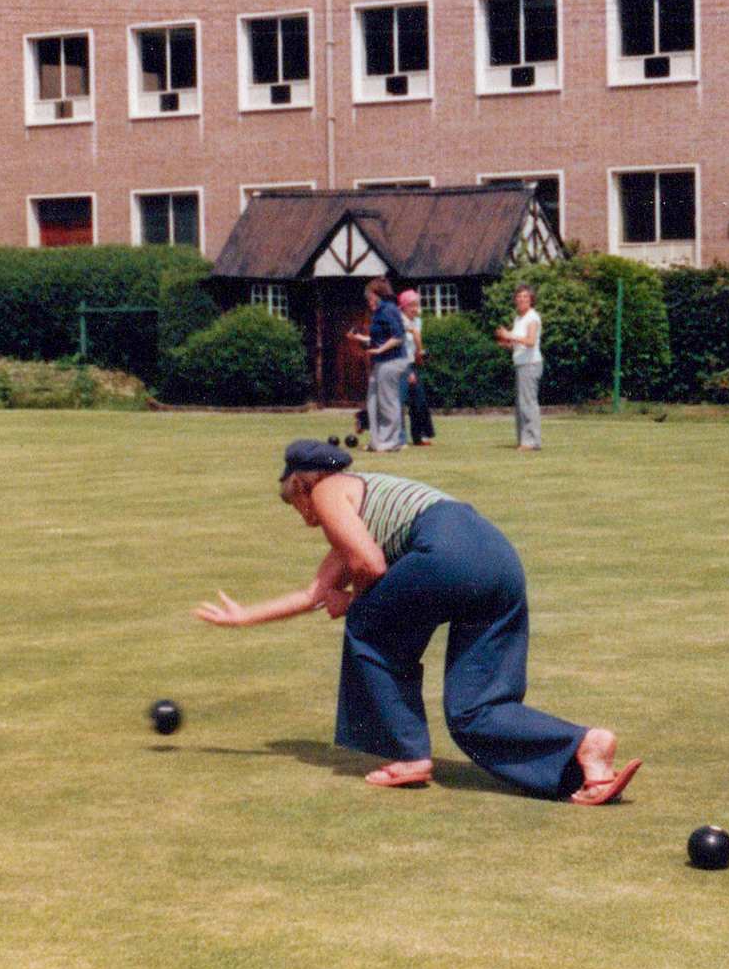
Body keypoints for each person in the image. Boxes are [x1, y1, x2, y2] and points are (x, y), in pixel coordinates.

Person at [194, 440, 641, 803]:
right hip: (498, 559)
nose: (301, 514)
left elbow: (368, 566)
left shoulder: (330, 490)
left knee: (367, 628)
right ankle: (585, 748)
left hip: (447, 550)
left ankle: (407, 756)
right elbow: (314, 594)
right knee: (474, 710)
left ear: (300, 484)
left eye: (291, 500)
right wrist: (243, 618)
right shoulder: (364, 508)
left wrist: (354, 603)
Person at [350, 277, 407, 453]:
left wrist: (380, 350)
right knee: (373, 400)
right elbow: (377, 339)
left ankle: (391, 442)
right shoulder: (379, 311)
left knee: (388, 403)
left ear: (377, 293)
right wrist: (359, 338)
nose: (368, 300)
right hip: (381, 361)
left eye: (369, 296)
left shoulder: (388, 309)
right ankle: (377, 442)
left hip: (392, 362)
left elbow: (397, 337)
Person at [494, 285, 542, 451]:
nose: (522, 300)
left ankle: (531, 441)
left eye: (526, 297)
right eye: (519, 297)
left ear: (531, 300)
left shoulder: (533, 318)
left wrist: (510, 335)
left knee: (528, 403)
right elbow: (518, 344)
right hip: (521, 363)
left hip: (530, 364)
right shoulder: (518, 319)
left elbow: (530, 341)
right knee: (521, 403)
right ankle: (524, 440)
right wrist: (506, 343)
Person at [397, 288, 436, 447]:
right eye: (411, 305)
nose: (415, 309)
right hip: (400, 362)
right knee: (398, 401)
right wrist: (409, 370)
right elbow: (404, 345)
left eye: (416, 305)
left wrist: (419, 357)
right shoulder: (399, 320)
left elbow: (417, 343)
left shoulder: (417, 321)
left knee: (418, 399)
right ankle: (400, 438)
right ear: (403, 306)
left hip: (412, 362)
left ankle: (418, 437)